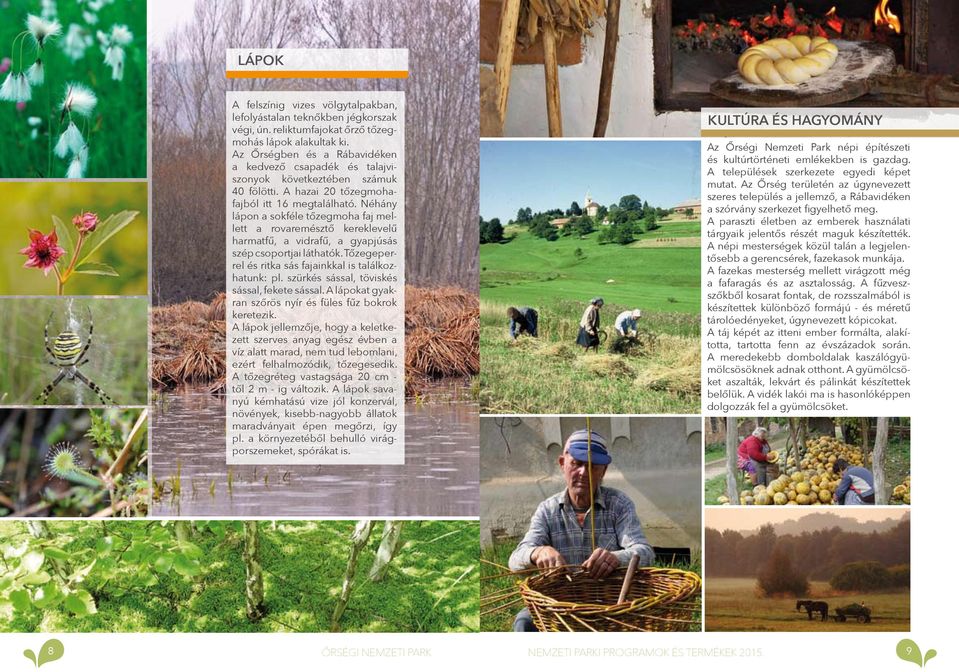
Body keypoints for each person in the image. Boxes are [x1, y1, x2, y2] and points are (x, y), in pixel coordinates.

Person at [508, 429, 655, 632]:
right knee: (524, 622)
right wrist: (538, 552)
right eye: (576, 464)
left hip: (609, 606)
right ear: (562, 464)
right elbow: (515, 561)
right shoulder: (548, 510)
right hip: (558, 608)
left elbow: (645, 552)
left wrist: (616, 558)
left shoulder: (619, 504)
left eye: (593, 466)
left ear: (603, 471)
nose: (584, 473)